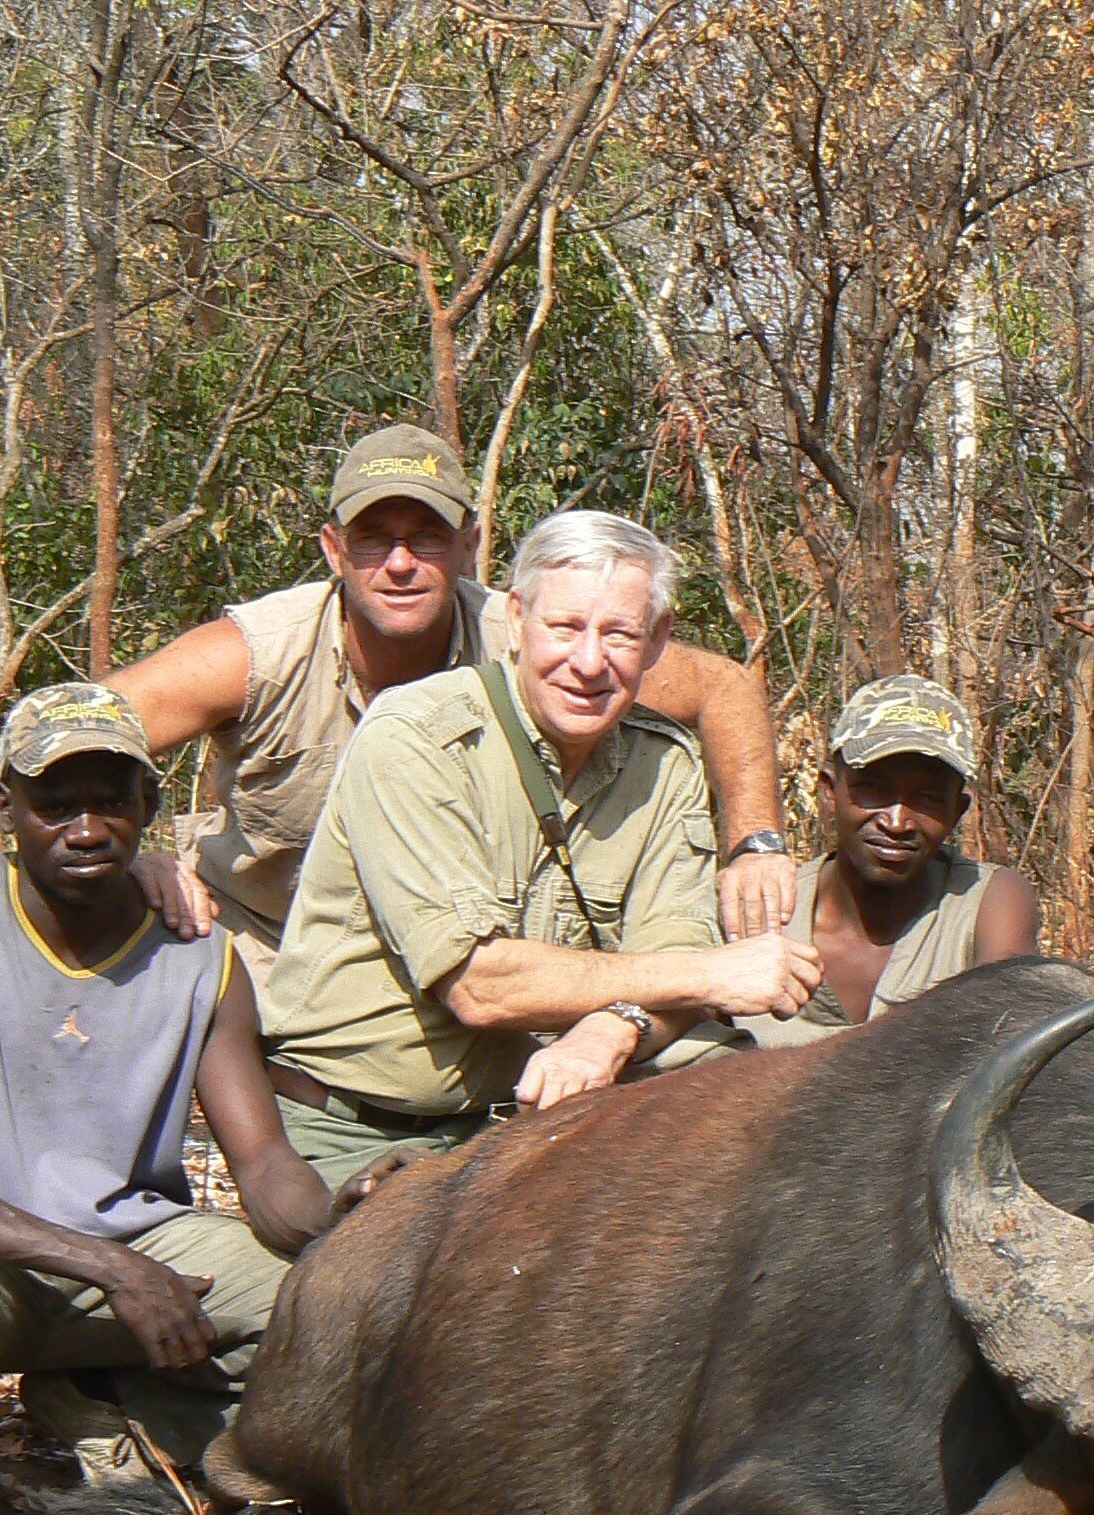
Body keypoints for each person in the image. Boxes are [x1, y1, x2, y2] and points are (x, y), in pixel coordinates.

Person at [0, 684, 337, 1515]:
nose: (88, 829)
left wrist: (348, 1223)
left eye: (111, 802)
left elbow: (265, 1167)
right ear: (5, 808)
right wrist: (107, 1268)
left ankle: (105, 1398)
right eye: (55, 805)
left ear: (148, 805)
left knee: (320, 1302)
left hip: (131, 1246)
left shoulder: (200, 958)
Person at [257, 512, 823, 1189]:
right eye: (565, 628)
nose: (589, 663)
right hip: (369, 1123)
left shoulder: (664, 763)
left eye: (619, 634)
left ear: (657, 641)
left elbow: (672, 938)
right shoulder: (416, 738)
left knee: (766, 1102)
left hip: (539, 1107)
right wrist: (712, 975)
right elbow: (480, 984)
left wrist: (608, 1031)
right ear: (518, 618)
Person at [105, 426, 801, 968]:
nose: (401, 563)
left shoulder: (534, 638)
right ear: (333, 549)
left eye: (428, 538)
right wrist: (130, 854)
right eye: (374, 540)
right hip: (268, 951)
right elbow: (69, 730)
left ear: (470, 546)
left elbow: (724, 685)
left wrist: (757, 843)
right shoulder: (258, 653)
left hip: (466, 956)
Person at [739, 675, 1038, 1046]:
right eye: (874, 790)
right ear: (831, 791)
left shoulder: (984, 901)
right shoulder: (763, 907)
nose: (897, 822)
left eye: (927, 799)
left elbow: (1007, 1041)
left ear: (956, 811)